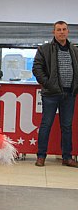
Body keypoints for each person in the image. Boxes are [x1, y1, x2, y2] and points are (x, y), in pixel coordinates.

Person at [32, 20, 78, 168]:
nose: (62, 32)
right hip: (50, 94)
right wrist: (49, 84)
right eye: (58, 29)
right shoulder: (44, 49)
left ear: (68, 31)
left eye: (64, 29)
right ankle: (41, 156)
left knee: (67, 126)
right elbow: (37, 69)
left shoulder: (75, 50)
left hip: (69, 93)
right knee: (46, 125)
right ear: (54, 32)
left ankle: (67, 157)